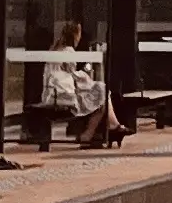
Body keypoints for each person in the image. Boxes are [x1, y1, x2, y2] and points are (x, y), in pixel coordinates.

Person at [52, 18, 127, 151]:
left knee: (102, 94)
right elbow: (71, 75)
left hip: (57, 91)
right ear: (75, 35)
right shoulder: (68, 51)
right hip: (63, 94)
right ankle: (104, 130)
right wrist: (86, 76)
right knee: (102, 94)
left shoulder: (56, 48)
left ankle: (108, 128)